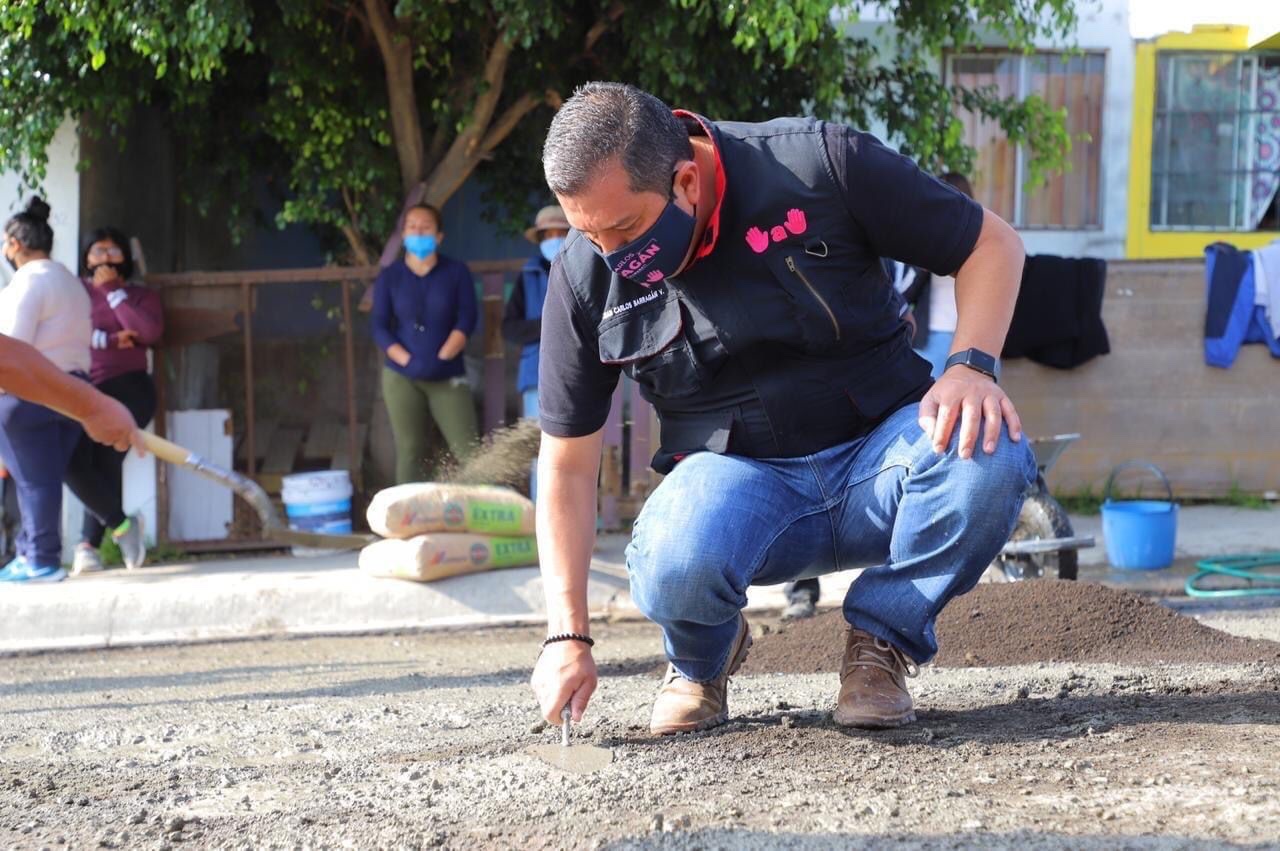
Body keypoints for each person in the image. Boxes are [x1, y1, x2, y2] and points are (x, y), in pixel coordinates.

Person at [528, 83, 1036, 735]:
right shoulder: (583, 277)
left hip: (881, 457)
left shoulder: (820, 165)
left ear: (686, 180)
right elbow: (568, 468)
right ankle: (701, 663)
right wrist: (565, 633)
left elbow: (992, 245)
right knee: (669, 557)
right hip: (738, 487)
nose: (610, 255)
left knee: (990, 451)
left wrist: (970, 366)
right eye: (588, 233)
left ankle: (881, 643)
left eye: (624, 229)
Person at [0, 198, 92, 582]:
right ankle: (33, 553)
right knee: (45, 478)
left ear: (14, 245)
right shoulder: (71, 282)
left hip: (30, 393)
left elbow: (13, 347)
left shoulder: (27, 281)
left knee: (33, 479)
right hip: (74, 391)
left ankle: (40, 558)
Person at [63, 228, 163, 574]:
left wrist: (112, 293)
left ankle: (87, 546)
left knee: (107, 456)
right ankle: (121, 526)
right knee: (70, 459)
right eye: (97, 251)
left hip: (131, 387)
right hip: (84, 387)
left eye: (113, 250)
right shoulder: (73, 293)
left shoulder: (140, 295)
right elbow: (66, 331)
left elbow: (147, 333)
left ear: (125, 258)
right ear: (85, 258)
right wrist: (106, 340)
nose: (105, 257)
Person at [371, 204, 479, 484]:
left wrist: (443, 356)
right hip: (401, 376)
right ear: (403, 234)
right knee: (409, 449)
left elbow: (467, 319)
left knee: (468, 450)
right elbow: (380, 327)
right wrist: (409, 361)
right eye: (412, 227)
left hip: (448, 373)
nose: (418, 232)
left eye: (426, 227)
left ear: (439, 236)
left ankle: (483, 515)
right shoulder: (389, 276)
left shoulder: (456, 272)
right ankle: (404, 522)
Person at [900, 172, 974, 379]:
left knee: (927, 405)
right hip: (947, 336)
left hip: (961, 338)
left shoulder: (979, 238)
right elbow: (906, 292)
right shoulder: (980, 238)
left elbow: (904, 293)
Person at [504, 205, 571, 420]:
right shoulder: (528, 276)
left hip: (579, 370)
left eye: (562, 233)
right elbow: (510, 328)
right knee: (538, 445)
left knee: (581, 442)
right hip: (536, 371)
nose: (555, 239)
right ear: (540, 239)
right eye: (549, 235)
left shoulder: (586, 272)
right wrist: (551, 325)